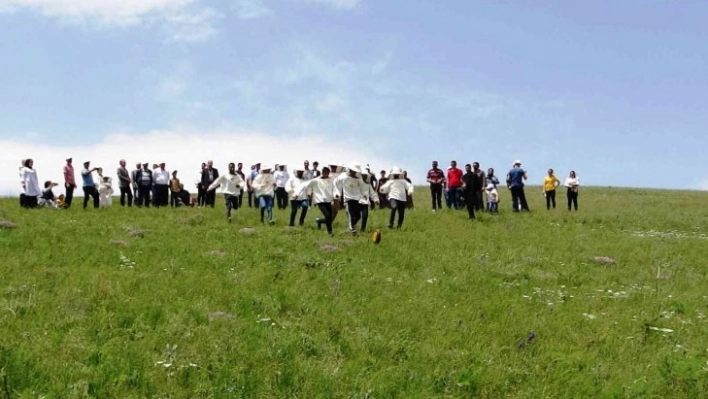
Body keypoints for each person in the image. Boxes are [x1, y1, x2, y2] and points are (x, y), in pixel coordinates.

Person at [296, 166, 335, 235]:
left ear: (328, 173)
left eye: (327, 173)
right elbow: (305, 185)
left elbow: (334, 189)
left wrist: (336, 196)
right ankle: (330, 232)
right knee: (328, 216)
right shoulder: (316, 180)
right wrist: (297, 193)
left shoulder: (331, 180)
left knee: (330, 218)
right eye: (324, 172)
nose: (325, 174)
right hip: (320, 201)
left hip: (328, 200)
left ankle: (319, 221)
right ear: (322, 172)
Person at [334, 163, 368, 234]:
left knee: (358, 216)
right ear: (350, 170)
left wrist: (364, 194)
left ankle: (352, 226)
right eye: (353, 171)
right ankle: (351, 229)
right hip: (348, 199)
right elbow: (336, 183)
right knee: (351, 214)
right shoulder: (343, 176)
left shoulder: (358, 179)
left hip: (356, 199)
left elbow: (362, 187)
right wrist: (337, 193)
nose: (354, 172)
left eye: (355, 171)